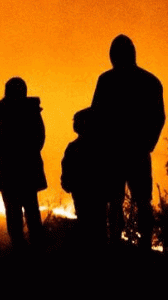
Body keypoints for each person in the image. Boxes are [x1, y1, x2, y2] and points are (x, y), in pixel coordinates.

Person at [91, 34, 165, 250]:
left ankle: (113, 243)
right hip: (136, 152)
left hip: (114, 151)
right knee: (142, 202)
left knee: (115, 200)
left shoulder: (106, 80)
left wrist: (100, 145)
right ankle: (143, 245)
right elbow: (158, 117)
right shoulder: (150, 81)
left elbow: (97, 114)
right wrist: (147, 144)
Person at [0, 77, 47, 250]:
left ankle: (20, 249)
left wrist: (6, 154)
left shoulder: (2, 110)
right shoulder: (32, 110)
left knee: (14, 213)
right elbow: (40, 138)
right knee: (31, 210)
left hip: (9, 170)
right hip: (28, 169)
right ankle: (36, 248)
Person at [61, 107, 108, 250]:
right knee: (98, 223)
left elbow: (67, 168)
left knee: (86, 222)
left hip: (82, 192)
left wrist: (67, 183)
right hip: (95, 192)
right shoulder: (101, 147)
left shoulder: (74, 147)